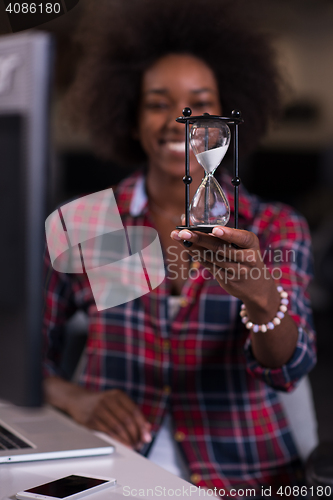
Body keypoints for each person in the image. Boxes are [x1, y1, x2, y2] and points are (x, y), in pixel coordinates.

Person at [43, 0, 316, 497]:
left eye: (199, 100)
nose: (180, 118)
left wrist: (261, 298)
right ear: (129, 117)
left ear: (227, 121)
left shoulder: (274, 225)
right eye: (157, 102)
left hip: (244, 477)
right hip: (110, 471)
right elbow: (23, 356)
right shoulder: (86, 221)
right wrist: (73, 397)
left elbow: (288, 367)